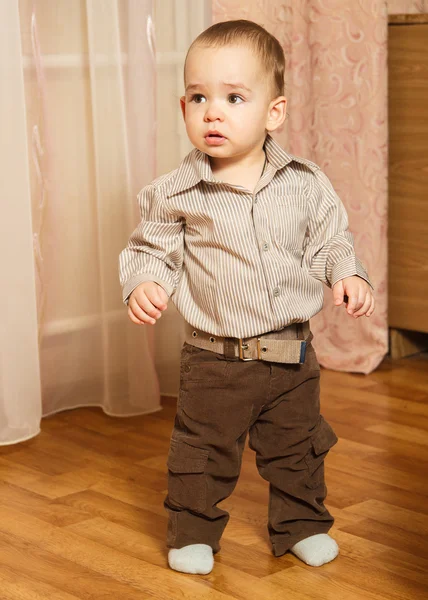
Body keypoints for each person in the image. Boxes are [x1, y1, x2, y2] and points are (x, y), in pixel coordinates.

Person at [119, 19, 375, 575]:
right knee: (202, 454)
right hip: (213, 360)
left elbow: (330, 239)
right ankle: (193, 533)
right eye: (198, 97)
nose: (213, 112)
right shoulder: (175, 194)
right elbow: (152, 250)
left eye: (234, 97)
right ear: (182, 105)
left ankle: (302, 524)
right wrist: (146, 282)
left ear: (273, 111)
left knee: (298, 449)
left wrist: (346, 274)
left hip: (291, 357)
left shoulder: (305, 184)